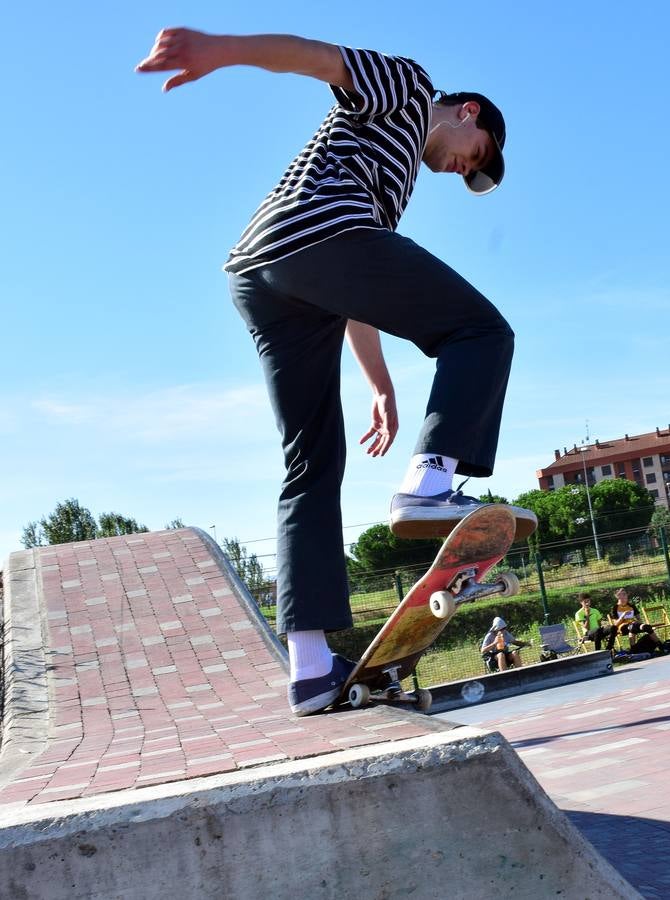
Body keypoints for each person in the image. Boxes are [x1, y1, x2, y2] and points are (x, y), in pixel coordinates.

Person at [137, 28, 538, 715]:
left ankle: (311, 667)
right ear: (468, 114)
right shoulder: (410, 89)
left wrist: (380, 385)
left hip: (262, 272)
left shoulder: (390, 184)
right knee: (482, 331)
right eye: (476, 159)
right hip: (316, 236)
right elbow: (321, 60)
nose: (462, 171)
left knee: (311, 467)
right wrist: (218, 50)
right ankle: (431, 482)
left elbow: (353, 293)